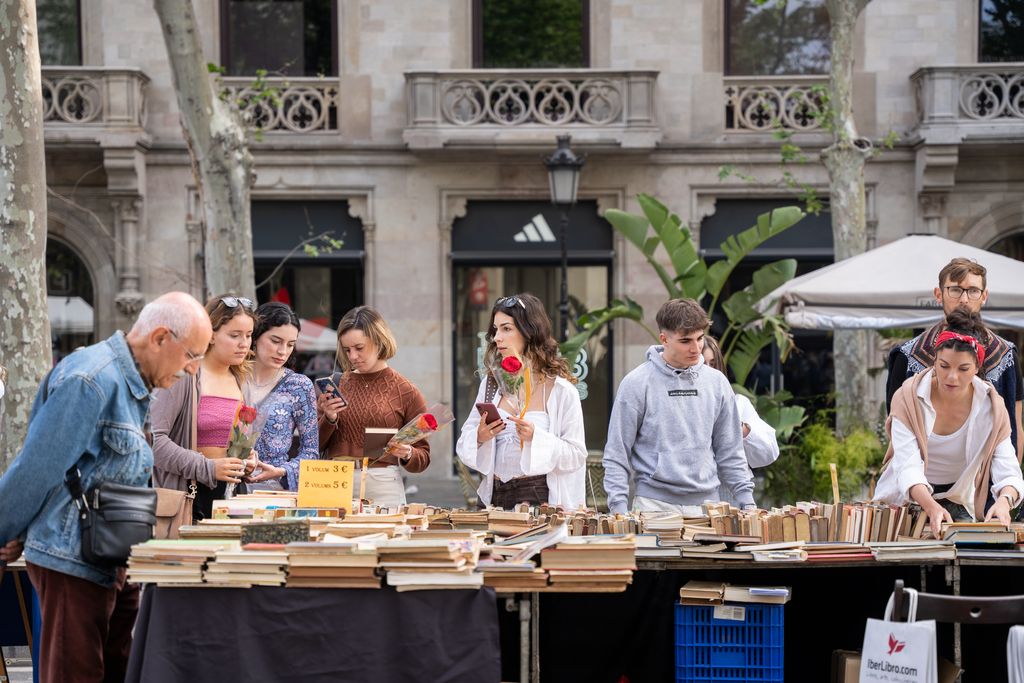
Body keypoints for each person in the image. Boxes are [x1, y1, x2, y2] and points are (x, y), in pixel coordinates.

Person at [0, 292, 212, 683]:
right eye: (191, 355)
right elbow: (37, 467)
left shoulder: (134, 383)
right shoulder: (92, 378)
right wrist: (5, 531)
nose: (194, 369)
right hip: (73, 562)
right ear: (161, 337)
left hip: (110, 558)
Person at [876, 309, 1024, 538]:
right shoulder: (908, 398)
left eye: (963, 369)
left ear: (977, 367)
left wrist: (1004, 501)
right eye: (944, 366)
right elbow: (907, 466)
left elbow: (1008, 469)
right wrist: (932, 507)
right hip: (904, 501)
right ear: (934, 360)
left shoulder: (992, 408)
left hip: (958, 499)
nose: (952, 377)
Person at [603, 298, 755, 515]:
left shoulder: (717, 383)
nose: (696, 348)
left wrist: (746, 501)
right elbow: (617, 453)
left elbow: (730, 450)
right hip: (653, 506)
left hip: (708, 506)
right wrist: (618, 508)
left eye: (700, 338)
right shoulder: (636, 383)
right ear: (664, 338)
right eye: (686, 341)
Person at [456, 294, 586, 509]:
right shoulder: (491, 385)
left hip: (540, 497)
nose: (497, 337)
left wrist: (537, 437)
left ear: (529, 331)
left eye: (506, 329)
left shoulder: (562, 391)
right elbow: (463, 444)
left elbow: (576, 456)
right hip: (493, 497)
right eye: (496, 330)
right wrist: (479, 436)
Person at [885, 258, 1022, 458]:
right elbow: (897, 431)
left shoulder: (1005, 354)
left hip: (989, 478)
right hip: (922, 475)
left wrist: (1009, 482)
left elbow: (1015, 428)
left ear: (984, 296)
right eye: (955, 290)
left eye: (973, 290)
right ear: (939, 294)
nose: (964, 299)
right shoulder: (907, 355)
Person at [152, 295, 259, 521]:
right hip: (188, 497)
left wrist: (247, 460)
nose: (244, 344)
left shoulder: (241, 378)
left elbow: (234, 442)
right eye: (234, 335)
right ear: (210, 334)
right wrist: (208, 468)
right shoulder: (184, 374)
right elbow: (154, 441)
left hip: (231, 498)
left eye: (249, 335)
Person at [318, 306, 429, 506]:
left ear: (379, 341)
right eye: (347, 350)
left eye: (359, 348)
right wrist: (329, 418)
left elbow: (423, 457)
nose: (352, 356)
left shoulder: (407, 391)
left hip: (383, 485)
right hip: (334, 481)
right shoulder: (335, 385)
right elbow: (314, 446)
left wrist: (408, 453)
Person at [244, 302, 319, 491]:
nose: (283, 351)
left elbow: (311, 452)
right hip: (225, 485)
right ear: (255, 336)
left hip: (273, 491)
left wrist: (282, 470)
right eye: (276, 341)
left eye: (290, 344)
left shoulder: (299, 386)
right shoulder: (230, 379)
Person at [702, 335, 779, 503]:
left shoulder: (738, 403)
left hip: (733, 497)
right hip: (695, 499)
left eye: (713, 364)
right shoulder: (680, 405)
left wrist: (739, 427)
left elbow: (769, 452)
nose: (708, 370)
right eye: (702, 364)